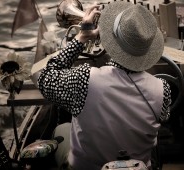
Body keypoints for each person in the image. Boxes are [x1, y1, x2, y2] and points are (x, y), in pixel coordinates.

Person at [38, 1, 171, 170]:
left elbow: (45, 79)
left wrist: (82, 38)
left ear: (111, 40)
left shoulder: (84, 79)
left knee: (63, 128)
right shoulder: (163, 89)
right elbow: (163, 117)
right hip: (139, 166)